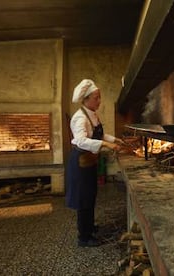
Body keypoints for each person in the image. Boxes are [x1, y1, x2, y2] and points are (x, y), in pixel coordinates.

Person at [66, 79, 123, 247]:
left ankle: (89, 226)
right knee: (83, 199)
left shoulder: (92, 114)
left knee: (90, 195)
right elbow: (81, 141)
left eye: (99, 97)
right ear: (85, 99)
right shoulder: (79, 118)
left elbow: (98, 135)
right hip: (81, 163)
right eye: (96, 98)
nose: (99, 101)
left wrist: (114, 139)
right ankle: (84, 237)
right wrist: (106, 145)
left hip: (89, 162)